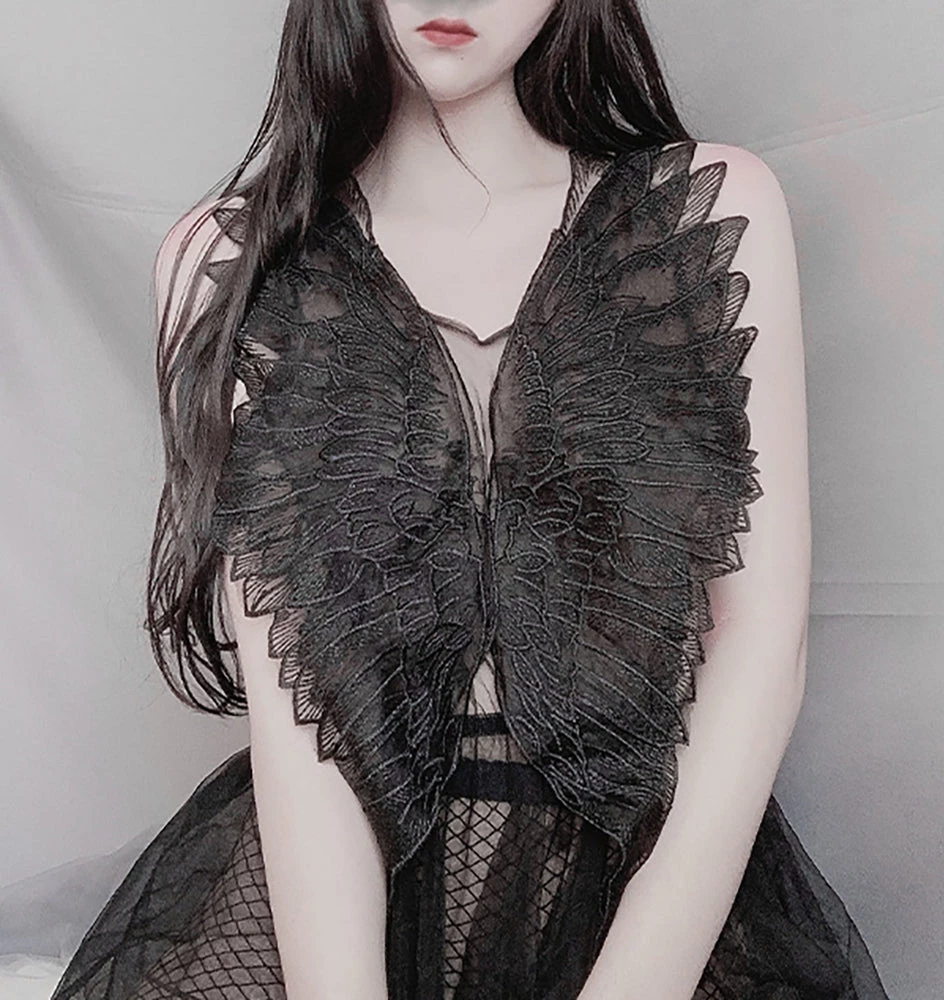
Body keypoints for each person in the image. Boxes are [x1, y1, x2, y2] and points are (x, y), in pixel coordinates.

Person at [50, 2, 894, 999]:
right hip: (337, 901)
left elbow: (760, 642)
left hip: (660, 889)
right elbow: (300, 694)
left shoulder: (702, 213)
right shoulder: (226, 264)